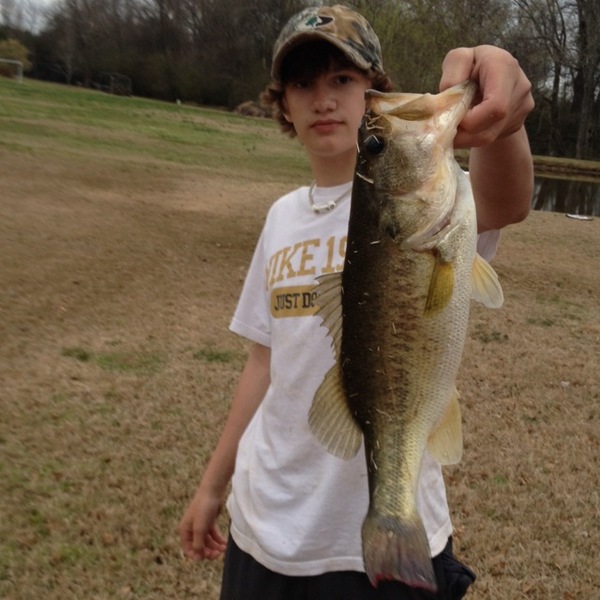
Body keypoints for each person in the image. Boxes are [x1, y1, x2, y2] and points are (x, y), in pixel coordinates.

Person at [179, 5, 534, 599]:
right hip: (264, 525)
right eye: (302, 84)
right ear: (283, 106)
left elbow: (510, 199)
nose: (322, 100)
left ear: (374, 89)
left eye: (342, 79)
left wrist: (505, 116)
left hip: (377, 535)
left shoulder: (434, 201)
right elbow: (263, 361)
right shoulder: (281, 217)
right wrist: (214, 485)